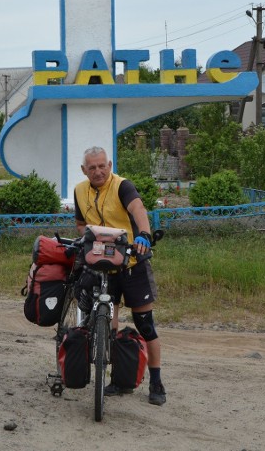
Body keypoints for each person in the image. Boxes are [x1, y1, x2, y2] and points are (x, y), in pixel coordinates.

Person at [74, 146, 166, 406]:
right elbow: (80, 223)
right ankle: (115, 377)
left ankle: (156, 381)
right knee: (108, 323)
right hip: (103, 265)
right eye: (92, 167)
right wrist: (86, 236)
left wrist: (144, 235)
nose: (98, 171)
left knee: (145, 323)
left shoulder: (122, 186)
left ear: (110, 164)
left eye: (102, 165)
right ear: (84, 170)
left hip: (132, 262)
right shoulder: (80, 190)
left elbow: (138, 209)